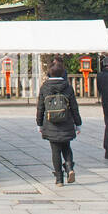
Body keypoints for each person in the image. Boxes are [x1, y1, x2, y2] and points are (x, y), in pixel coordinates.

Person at [36, 59, 82, 187]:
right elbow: (74, 107)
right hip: (66, 121)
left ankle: (59, 178)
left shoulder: (45, 87)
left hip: (51, 123)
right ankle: (69, 167)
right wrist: (78, 123)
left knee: (55, 151)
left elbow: (40, 107)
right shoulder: (67, 87)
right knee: (66, 147)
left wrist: (39, 124)